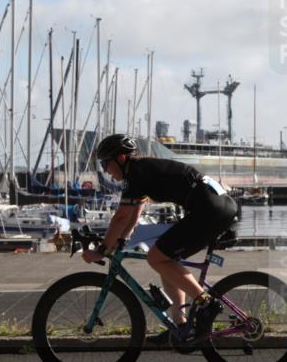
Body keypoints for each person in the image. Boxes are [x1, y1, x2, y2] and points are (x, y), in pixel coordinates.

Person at [84, 134, 238, 344]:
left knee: (156, 257)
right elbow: (136, 209)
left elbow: (120, 216)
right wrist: (123, 238)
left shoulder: (136, 173)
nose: (105, 171)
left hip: (209, 209)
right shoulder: (141, 170)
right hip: (216, 205)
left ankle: (206, 302)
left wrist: (101, 250)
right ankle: (181, 325)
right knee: (165, 259)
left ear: (120, 158)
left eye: (105, 164)